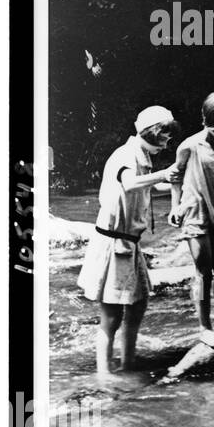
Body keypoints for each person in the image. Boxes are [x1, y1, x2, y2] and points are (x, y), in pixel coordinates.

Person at [77, 105, 178, 381]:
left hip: (128, 244)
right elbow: (131, 183)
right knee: (111, 313)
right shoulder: (125, 155)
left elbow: (149, 186)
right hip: (113, 244)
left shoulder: (142, 155)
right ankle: (104, 372)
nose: (169, 142)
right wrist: (163, 174)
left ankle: (128, 362)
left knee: (138, 304)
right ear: (156, 133)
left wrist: (176, 181)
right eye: (167, 135)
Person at [168, 93, 214, 344]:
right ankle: (204, 327)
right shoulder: (190, 146)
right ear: (208, 123)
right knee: (203, 272)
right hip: (196, 214)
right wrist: (174, 207)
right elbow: (175, 177)